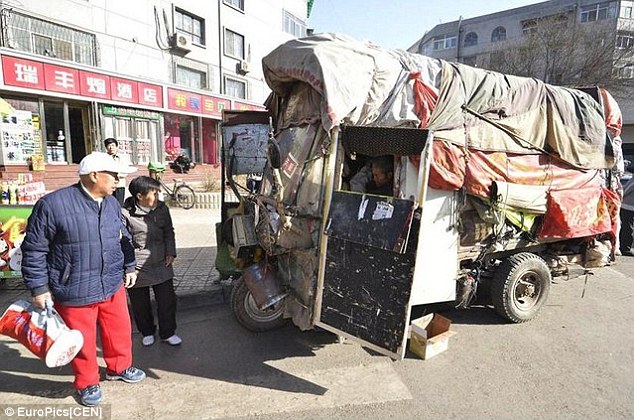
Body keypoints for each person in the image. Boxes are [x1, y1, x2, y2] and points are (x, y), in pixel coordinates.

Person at [20, 152, 144, 407]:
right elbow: (34, 249)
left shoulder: (110, 203)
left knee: (119, 330)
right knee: (82, 340)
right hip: (74, 287)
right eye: (114, 176)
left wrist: (129, 266)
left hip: (111, 282)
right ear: (94, 175)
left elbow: (122, 238)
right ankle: (87, 382)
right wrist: (39, 288)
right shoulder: (53, 205)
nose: (118, 182)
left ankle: (119, 367)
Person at [122, 176, 181, 347]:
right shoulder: (125, 213)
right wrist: (129, 267)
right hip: (138, 265)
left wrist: (171, 251)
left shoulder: (162, 209)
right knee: (140, 303)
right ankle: (147, 331)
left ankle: (168, 332)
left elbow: (169, 231)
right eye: (154, 193)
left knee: (167, 300)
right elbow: (124, 242)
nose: (157, 197)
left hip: (162, 261)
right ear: (140, 196)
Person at [104, 137, 127, 205]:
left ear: (117, 147)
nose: (111, 147)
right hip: (107, 185)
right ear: (106, 147)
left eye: (113, 145)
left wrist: (114, 176)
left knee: (119, 205)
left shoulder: (122, 158)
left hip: (119, 185)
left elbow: (125, 171)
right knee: (108, 205)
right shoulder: (103, 158)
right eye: (109, 145)